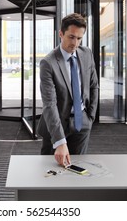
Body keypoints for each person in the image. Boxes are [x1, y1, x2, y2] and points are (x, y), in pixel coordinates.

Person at [37, 13, 99, 167]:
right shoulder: (48, 63)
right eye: (71, 37)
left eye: (79, 38)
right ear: (60, 34)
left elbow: (93, 86)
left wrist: (89, 117)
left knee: (78, 171)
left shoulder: (87, 54)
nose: (75, 43)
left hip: (82, 122)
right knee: (49, 174)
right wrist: (59, 140)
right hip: (56, 125)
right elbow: (49, 104)